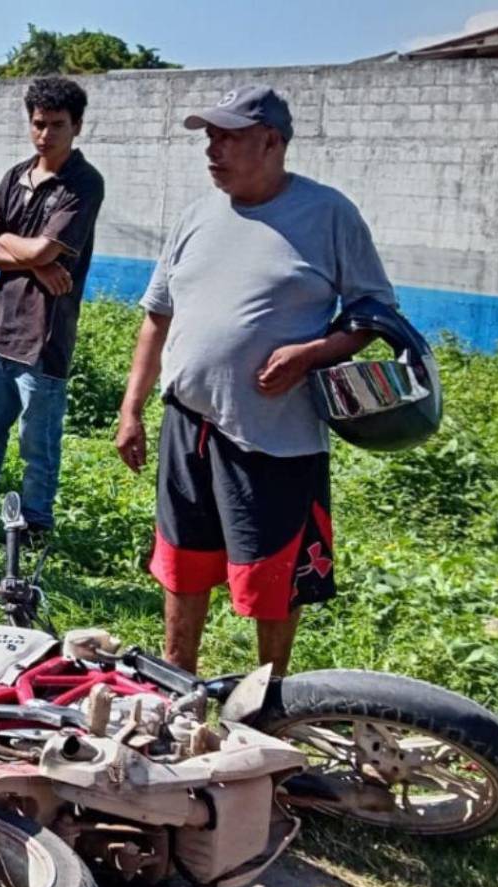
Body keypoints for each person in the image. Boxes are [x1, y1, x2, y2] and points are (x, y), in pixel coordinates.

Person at [115, 85, 394, 676]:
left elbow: (373, 314)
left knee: (273, 573)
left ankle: (269, 699)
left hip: (274, 436)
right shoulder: (196, 216)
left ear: (271, 142)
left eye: (227, 137)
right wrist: (132, 409)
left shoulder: (328, 215)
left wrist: (311, 353)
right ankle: (178, 683)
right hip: (188, 423)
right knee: (183, 561)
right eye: (210, 136)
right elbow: (157, 317)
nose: (211, 149)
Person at [0, 76, 105, 539]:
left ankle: (36, 525)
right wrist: (38, 264)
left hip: (46, 335)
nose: (45, 134)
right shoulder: (16, 176)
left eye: (57, 125)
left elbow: (42, 248)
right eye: (39, 124)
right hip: (2, 328)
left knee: (36, 444)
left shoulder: (82, 183)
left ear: (77, 126)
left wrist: (10, 241)